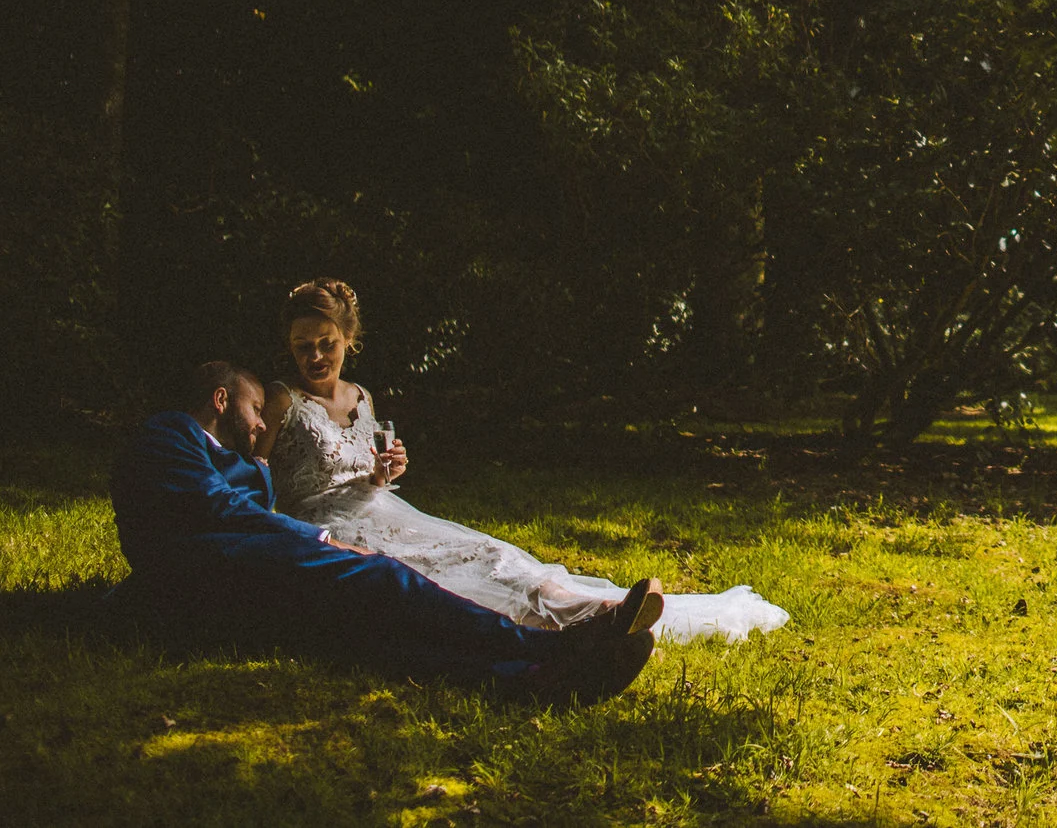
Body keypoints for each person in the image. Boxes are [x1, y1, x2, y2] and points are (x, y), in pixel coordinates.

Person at [259, 279, 787, 642]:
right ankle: (594, 619)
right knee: (438, 579)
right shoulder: (283, 399)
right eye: (302, 345)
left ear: (348, 340)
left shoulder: (361, 397)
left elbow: (370, 471)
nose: (315, 356)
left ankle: (602, 610)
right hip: (322, 526)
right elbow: (254, 476)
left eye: (326, 342)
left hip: (384, 511)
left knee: (490, 554)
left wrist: (387, 470)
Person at [111, 360, 661, 701]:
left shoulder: (235, 458)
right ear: (220, 399)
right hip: (216, 578)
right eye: (256, 409)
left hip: (248, 579)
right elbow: (219, 509)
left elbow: (245, 505)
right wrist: (318, 539)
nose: (261, 424)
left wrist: (260, 468)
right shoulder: (168, 433)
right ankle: (548, 646)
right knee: (387, 581)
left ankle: (532, 677)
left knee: (369, 636)